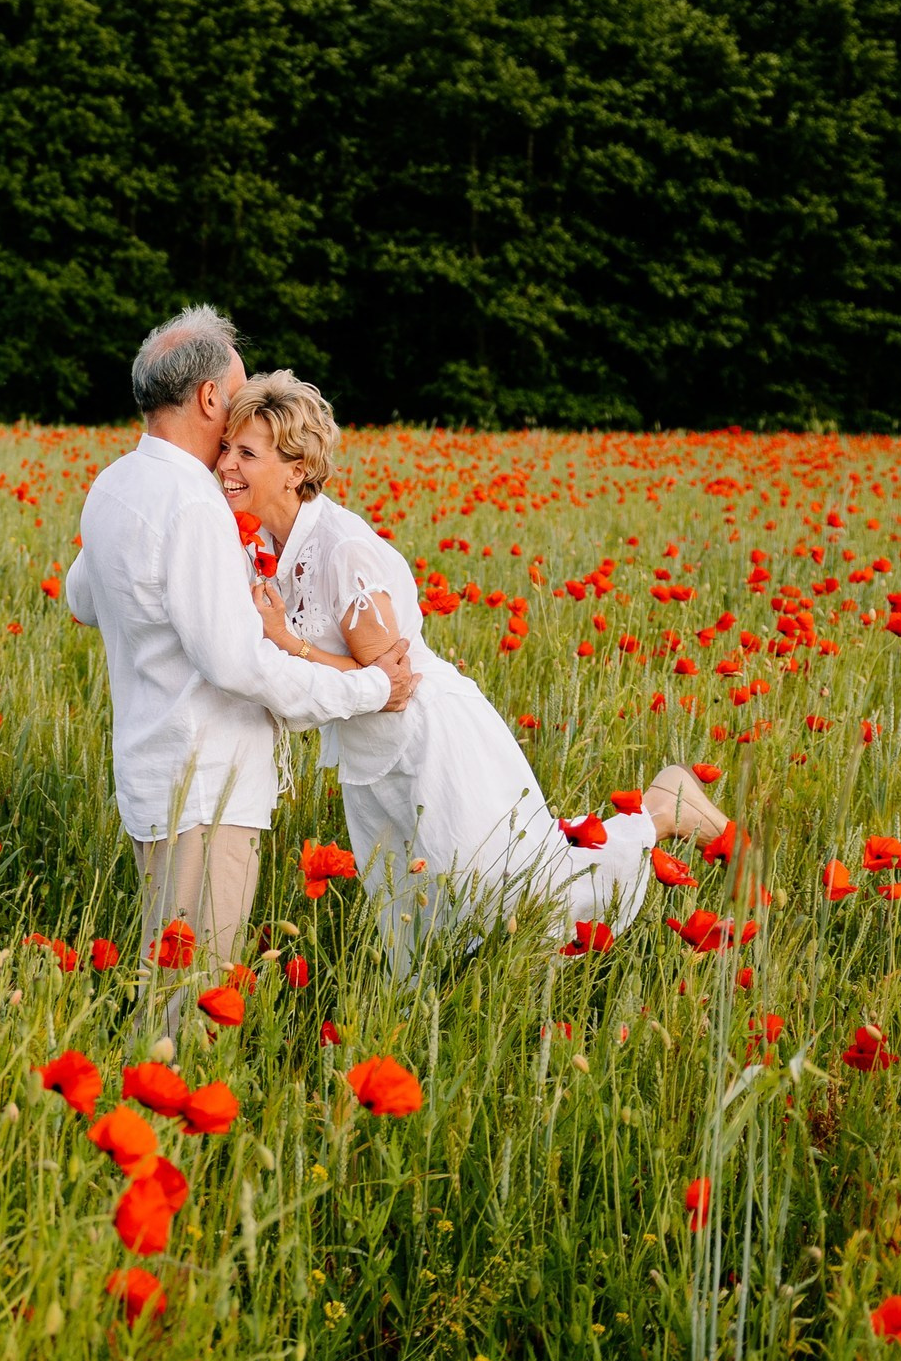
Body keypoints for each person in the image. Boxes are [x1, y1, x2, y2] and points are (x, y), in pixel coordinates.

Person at [217, 369, 731, 978]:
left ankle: (661, 809)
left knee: (520, 893)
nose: (227, 464)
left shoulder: (340, 549)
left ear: (296, 469)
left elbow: (388, 686)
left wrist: (287, 643)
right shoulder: (271, 542)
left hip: (429, 744)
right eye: (227, 448)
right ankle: (429, 1015)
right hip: (370, 760)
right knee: (414, 917)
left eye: (247, 453)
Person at [65, 307, 418, 993]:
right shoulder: (193, 504)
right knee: (196, 993)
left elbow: (83, 599)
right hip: (207, 787)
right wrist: (370, 688)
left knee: (171, 973)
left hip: (150, 771)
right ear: (207, 398)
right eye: (235, 392)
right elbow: (237, 664)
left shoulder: (116, 483)